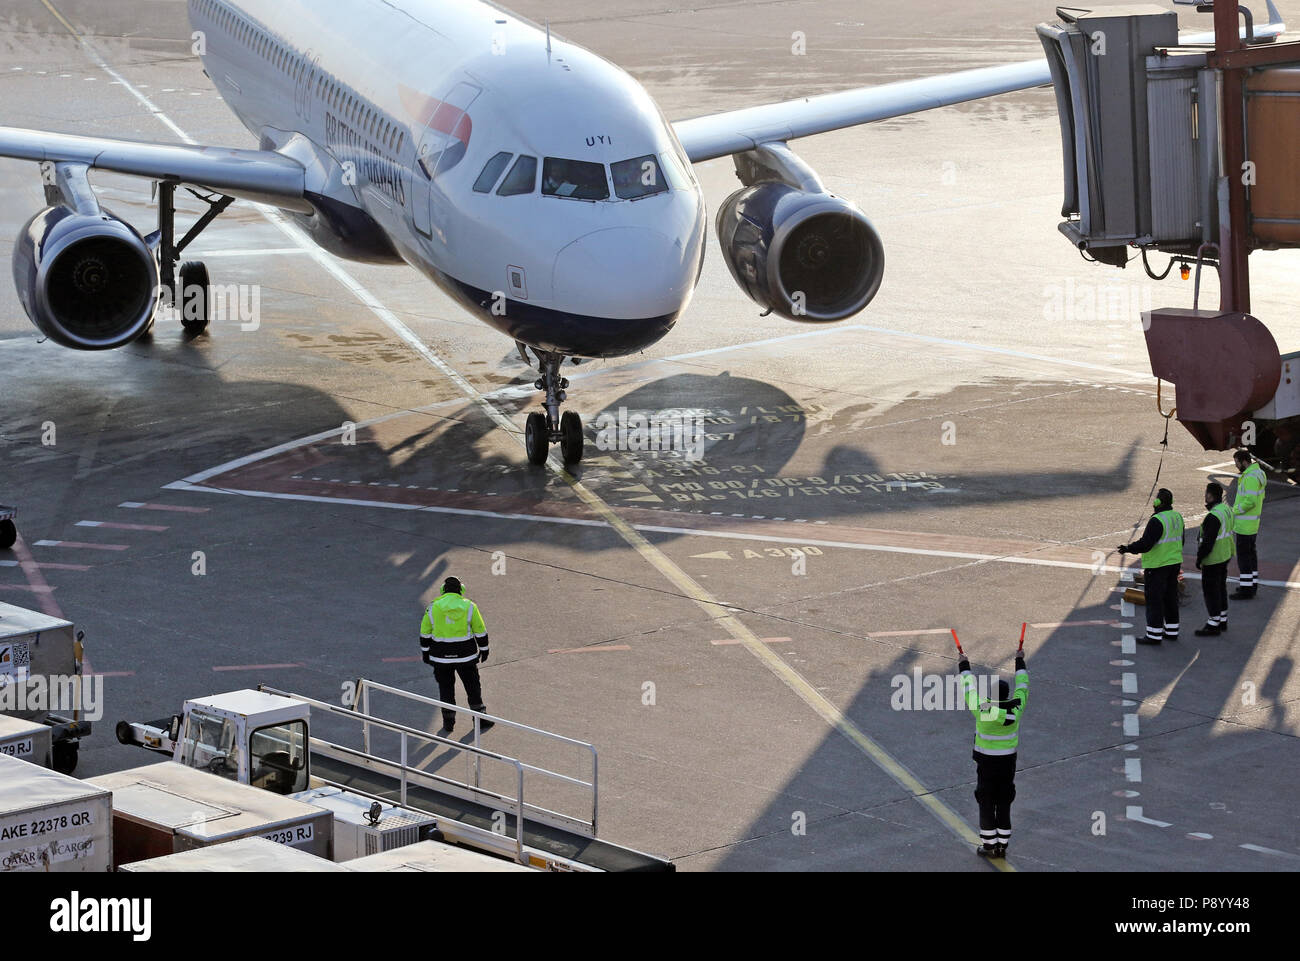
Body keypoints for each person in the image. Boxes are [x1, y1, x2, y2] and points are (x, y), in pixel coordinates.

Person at [958, 645, 1028, 859]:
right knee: (1004, 802)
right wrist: (1020, 661)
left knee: (986, 802)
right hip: (1008, 764)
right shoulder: (1017, 707)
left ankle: (989, 846)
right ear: (1007, 695)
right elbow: (1023, 686)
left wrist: (964, 664)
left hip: (986, 764)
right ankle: (1002, 846)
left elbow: (968, 687)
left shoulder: (982, 709)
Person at [419, 576, 493, 736]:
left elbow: (425, 632)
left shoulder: (433, 607)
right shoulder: (470, 606)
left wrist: (425, 653)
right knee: (472, 687)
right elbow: (480, 630)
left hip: (440, 657)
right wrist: (484, 649)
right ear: (461, 590)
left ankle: (448, 722)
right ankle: (480, 719)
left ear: (442, 590)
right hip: (466, 657)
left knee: (445, 688)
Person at [1118, 488, 1184, 645]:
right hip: (1174, 563)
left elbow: (1146, 544)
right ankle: (1172, 631)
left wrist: (1128, 548)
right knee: (1170, 598)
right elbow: (1182, 541)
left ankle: (1154, 635)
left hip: (1157, 566)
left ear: (1157, 503)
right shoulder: (1177, 517)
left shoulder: (1157, 520)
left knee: (1155, 600)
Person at [1195, 482, 1234, 637]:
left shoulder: (1213, 516)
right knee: (1220, 588)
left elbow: (1208, 543)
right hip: (1225, 555)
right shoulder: (1226, 509)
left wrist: (1199, 558)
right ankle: (1222, 619)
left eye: (1206, 493)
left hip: (1214, 559)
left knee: (1211, 591)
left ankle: (1213, 624)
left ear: (1210, 495)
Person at [1229, 450, 1267, 600]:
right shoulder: (1258, 473)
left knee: (1244, 558)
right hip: (1252, 524)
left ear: (1244, 461)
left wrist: (1235, 511)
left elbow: (1250, 501)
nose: (1236, 466)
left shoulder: (1250, 477)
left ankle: (1246, 589)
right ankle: (1252, 584)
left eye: (1237, 463)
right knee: (1251, 555)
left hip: (1245, 524)